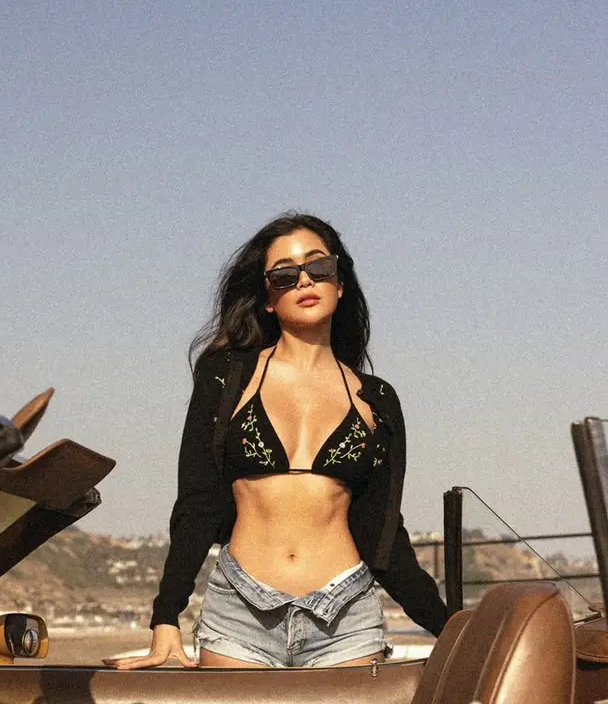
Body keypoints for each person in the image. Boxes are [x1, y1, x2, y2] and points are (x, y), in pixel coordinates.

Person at [109, 213, 447, 670]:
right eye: (285, 275)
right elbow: (197, 502)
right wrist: (166, 615)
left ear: (340, 283)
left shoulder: (377, 399)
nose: (304, 280)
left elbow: (383, 536)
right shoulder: (226, 378)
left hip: (345, 619)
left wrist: (452, 626)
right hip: (240, 617)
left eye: (319, 267)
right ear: (268, 298)